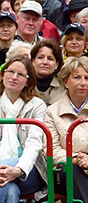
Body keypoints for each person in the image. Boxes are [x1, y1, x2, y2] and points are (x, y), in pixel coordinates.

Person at [0, 56, 48, 203]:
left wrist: (18, 169)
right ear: (2, 75)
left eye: (20, 74)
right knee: (9, 190)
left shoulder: (37, 105)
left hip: (27, 172)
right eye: (10, 72)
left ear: (28, 81)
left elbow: (34, 144)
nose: (14, 77)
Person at [44, 56, 88, 202]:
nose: (83, 83)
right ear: (65, 81)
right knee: (72, 170)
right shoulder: (52, 111)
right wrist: (76, 159)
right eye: (77, 77)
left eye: (87, 78)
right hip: (66, 171)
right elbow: (51, 149)